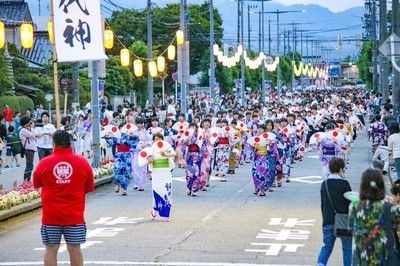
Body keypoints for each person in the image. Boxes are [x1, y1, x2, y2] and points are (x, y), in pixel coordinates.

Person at [33, 129, 94, 266]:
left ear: (53, 144)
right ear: (70, 143)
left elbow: (36, 184)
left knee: (51, 249)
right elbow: (89, 188)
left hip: (51, 215)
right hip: (74, 215)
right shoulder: (82, 162)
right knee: (74, 248)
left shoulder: (44, 163)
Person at [349, 168, 400, 265]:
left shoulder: (353, 206)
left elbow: (351, 227)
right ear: (381, 186)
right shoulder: (390, 207)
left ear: (363, 186)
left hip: (361, 259)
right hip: (383, 259)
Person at [317, 157, 352, 266]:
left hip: (328, 220)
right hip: (344, 221)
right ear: (341, 169)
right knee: (347, 248)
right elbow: (349, 204)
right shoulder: (344, 184)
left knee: (327, 247)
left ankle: (320, 264)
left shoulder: (324, 184)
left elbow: (323, 204)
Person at [147, 133, 176, 220]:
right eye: (156, 139)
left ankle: (166, 214)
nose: (158, 141)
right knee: (156, 190)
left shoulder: (167, 147)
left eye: (159, 139)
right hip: (156, 172)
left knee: (166, 191)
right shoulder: (151, 149)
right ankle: (155, 209)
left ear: (162, 139)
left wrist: (166, 155)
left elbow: (174, 154)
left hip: (166, 171)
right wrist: (149, 160)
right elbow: (148, 161)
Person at [19, 115, 38, 182]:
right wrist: (32, 127)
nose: (30, 123)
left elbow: (35, 135)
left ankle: (27, 179)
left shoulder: (27, 129)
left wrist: (31, 128)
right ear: (25, 122)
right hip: (28, 149)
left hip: (31, 149)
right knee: (29, 165)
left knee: (30, 165)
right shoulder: (23, 130)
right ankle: (26, 180)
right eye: (29, 122)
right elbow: (33, 135)